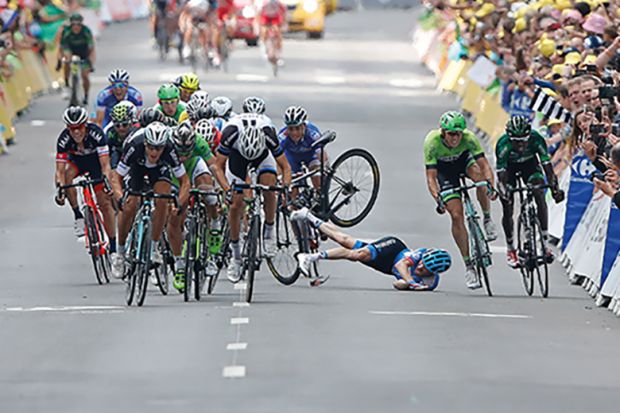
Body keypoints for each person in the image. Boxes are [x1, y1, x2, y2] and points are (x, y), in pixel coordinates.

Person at [423, 111, 498, 290]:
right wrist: (438, 199)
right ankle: (469, 266)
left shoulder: (469, 138)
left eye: (458, 134)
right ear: (443, 132)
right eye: (451, 134)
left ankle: (487, 219)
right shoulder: (432, 142)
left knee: (480, 181)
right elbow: (431, 178)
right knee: (457, 216)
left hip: (464, 163)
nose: (455, 138)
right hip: (444, 172)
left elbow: (485, 165)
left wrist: (491, 186)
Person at [214, 112, 292, 282]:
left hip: (263, 156)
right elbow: (217, 167)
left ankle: (269, 231)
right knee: (235, 205)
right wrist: (227, 189)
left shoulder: (268, 134)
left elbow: (285, 167)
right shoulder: (230, 133)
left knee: (269, 186)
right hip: (237, 157)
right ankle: (236, 255)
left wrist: (285, 186)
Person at [292, 207, 452, 290]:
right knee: (356, 255)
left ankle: (308, 216)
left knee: (344, 240)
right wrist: (411, 281)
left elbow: (397, 285)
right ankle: (308, 257)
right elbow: (400, 265)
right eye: (422, 264)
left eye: (424, 270)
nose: (420, 268)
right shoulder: (421, 254)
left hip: (385, 266)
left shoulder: (430, 282)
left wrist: (408, 285)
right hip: (393, 249)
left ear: (432, 273)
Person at [110, 122, 190, 278]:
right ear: (145, 143)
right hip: (136, 168)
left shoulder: (170, 150)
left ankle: (153, 247)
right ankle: (120, 253)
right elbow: (116, 177)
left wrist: (178, 203)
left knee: (162, 200)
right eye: (151, 148)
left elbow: (185, 182)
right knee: (129, 205)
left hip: (159, 170)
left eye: (159, 148)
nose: (154, 152)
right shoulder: (134, 146)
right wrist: (119, 197)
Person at [167, 121, 229, 291]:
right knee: (173, 217)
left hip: (195, 167)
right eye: (181, 151)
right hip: (173, 173)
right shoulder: (167, 144)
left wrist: (226, 189)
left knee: (207, 189)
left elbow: (215, 167)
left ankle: (214, 225)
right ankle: (179, 265)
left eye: (188, 151)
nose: (184, 155)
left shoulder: (200, 142)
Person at [496, 115, 565, 268]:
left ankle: (544, 245)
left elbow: (547, 168)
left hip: (530, 166)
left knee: (539, 193)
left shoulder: (536, 139)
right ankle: (511, 249)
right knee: (507, 206)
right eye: (516, 141)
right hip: (509, 170)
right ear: (509, 138)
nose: (520, 145)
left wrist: (555, 189)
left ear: (529, 136)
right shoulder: (503, 144)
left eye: (523, 140)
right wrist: (504, 192)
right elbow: (501, 176)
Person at [54, 107, 116, 255]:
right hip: (77, 163)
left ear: (85, 125)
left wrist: (107, 181)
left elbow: (105, 165)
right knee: (67, 178)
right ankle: (78, 215)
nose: (76, 132)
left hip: (96, 163)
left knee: (104, 203)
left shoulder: (97, 134)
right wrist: (60, 190)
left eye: (79, 127)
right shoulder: (63, 140)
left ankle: (113, 244)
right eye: (72, 128)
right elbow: (59, 171)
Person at [278, 106, 326, 188]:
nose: (294, 133)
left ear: (304, 126)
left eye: (297, 128)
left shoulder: (313, 133)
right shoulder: (282, 136)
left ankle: (319, 196)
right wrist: (279, 175)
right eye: (290, 129)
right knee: (292, 189)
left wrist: (323, 169)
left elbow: (322, 155)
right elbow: (276, 158)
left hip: (311, 156)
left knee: (317, 180)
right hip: (292, 158)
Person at [59, 13, 95, 105]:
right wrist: (61, 59)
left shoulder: (86, 31)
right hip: (71, 49)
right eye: (73, 24)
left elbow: (91, 48)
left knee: (85, 75)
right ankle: (67, 84)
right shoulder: (66, 31)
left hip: (84, 52)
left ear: (81, 24)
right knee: (67, 61)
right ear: (70, 24)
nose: (76, 27)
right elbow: (62, 47)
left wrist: (91, 62)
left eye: (78, 24)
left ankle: (86, 95)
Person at [105, 101, 139, 169]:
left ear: (131, 123)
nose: (121, 128)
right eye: (117, 126)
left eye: (124, 125)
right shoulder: (110, 133)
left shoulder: (137, 132)